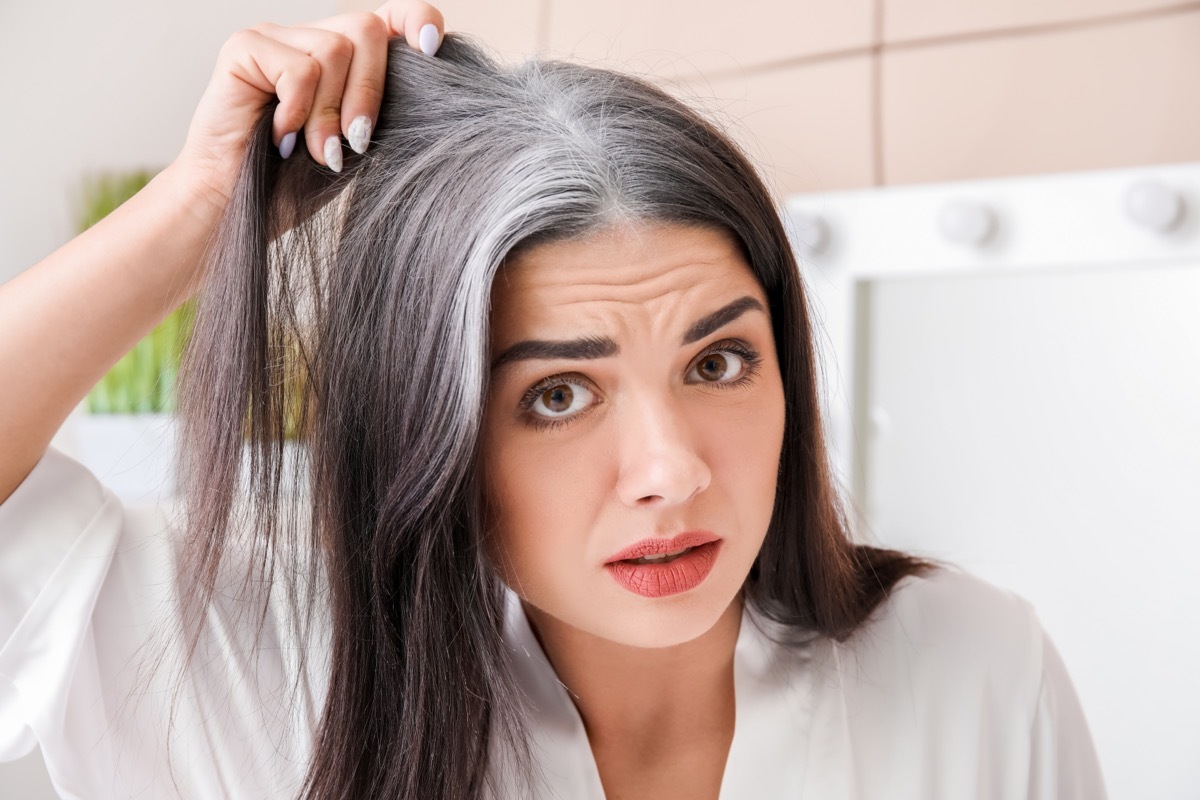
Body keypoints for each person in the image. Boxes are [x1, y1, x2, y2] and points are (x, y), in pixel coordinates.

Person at [0, 2, 1109, 798]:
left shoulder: (975, 669)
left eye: (718, 362)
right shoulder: (263, 664)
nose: (672, 467)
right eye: (561, 392)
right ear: (426, 427)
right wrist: (193, 212)